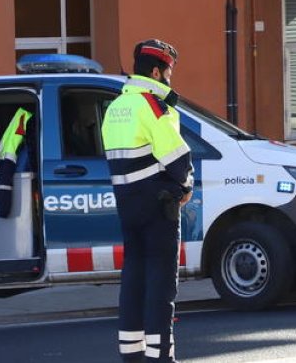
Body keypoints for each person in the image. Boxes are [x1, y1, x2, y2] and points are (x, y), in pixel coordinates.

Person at [103, 39, 193, 362]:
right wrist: (187, 186)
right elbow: (179, 161)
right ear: (156, 72)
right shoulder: (153, 106)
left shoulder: (114, 108)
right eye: (168, 72)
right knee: (161, 287)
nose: (170, 78)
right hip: (159, 208)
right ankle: (160, 357)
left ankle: (132, 354)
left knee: (133, 281)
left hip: (128, 208)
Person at [0, 106, 33, 218]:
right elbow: (5, 175)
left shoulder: (20, 120)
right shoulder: (24, 121)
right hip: (5, 173)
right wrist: (3, 210)